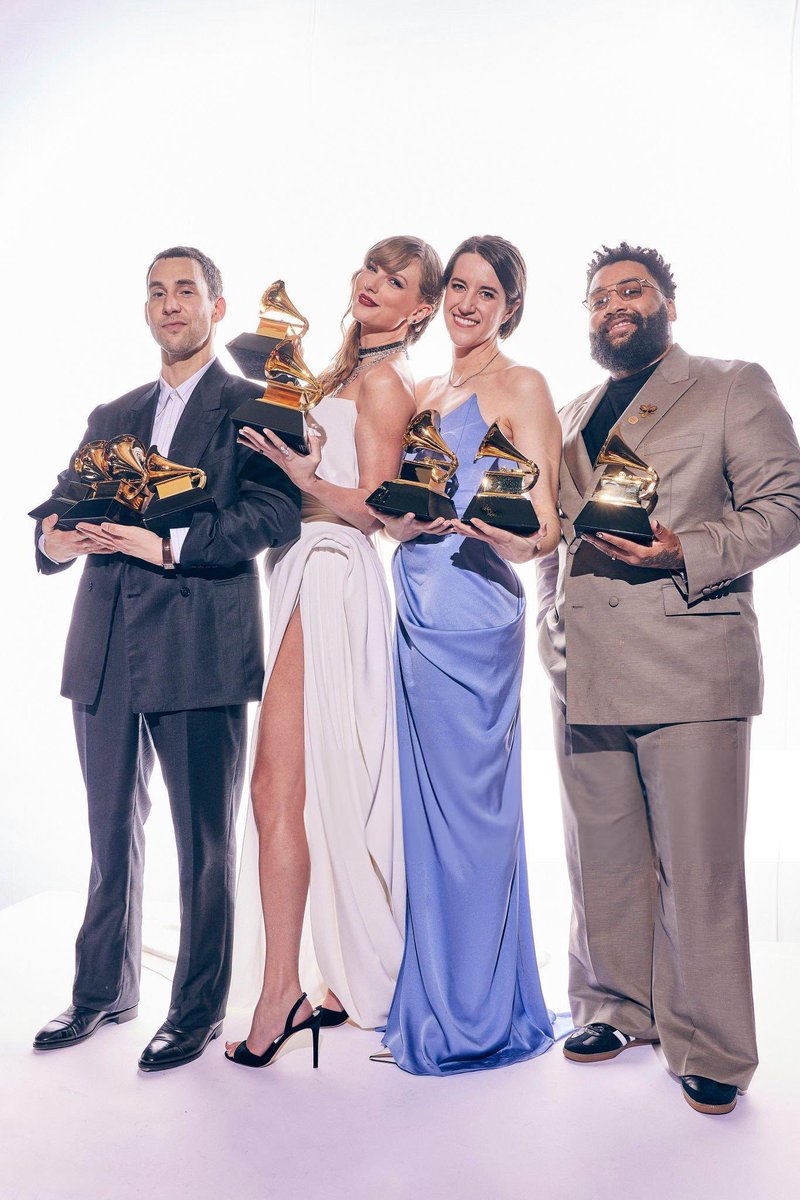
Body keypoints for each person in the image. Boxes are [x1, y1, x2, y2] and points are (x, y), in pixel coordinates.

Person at [537, 241, 800, 1115]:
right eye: (600, 296)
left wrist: (684, 548)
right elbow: (551, 530)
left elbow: (786, 504)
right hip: (584, 666)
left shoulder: (730, 383)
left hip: (690, 657)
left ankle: (713, 1042)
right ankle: (617, 1005)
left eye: (634, 290)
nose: (616, 304)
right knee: (600, 856)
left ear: (668, 305)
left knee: (699, 865)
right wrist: (543, 612)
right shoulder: (570, 411)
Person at [32, 247, 300, 1071]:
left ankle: (195, 1009)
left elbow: (273, 514)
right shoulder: (111, 412)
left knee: (204, 842)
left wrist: (171, 543)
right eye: (157, 291)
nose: (170, 303)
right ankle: (102, 992)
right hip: (105, 651)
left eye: (186, 290)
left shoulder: (254, 404)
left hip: (199, 647)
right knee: (109, 831)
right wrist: (53, 537)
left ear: (217, 309)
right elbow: (56, 508)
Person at [224, 235, 443, 1069]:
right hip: (294, 569)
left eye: (396, 282)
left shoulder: (385, 384)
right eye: (371, 271)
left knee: (276, 784)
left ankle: (282, 989)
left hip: (333, 570)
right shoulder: (327, 375)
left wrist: (307, 476)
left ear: (420, 308)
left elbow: (382, 515)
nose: (373, 286)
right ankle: (323, 979)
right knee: (294, 787)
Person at [372, 234, 562, 1075]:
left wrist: (504, 536)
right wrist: (398, 524)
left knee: (474, 819)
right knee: (424, 815)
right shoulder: (422, 388)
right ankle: (438, 992)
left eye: (488, 293)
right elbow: (396, 504)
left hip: (478, 607)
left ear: (510, 307)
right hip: (414, 596)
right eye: (459, 286)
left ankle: (478, 1015)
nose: (468, 304)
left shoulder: (523, 386)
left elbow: (547, 526)